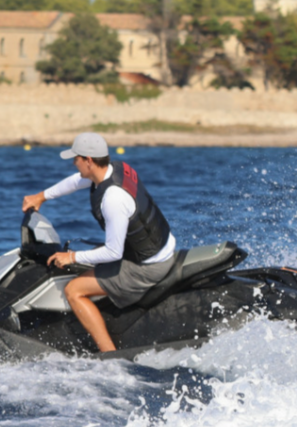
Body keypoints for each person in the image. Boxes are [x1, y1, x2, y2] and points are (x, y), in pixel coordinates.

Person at [20, 131, 178, 354]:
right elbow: (76, 182)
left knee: (73, 290)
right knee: (88, 259)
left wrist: (72, 257)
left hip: (147, 267)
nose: (74, 163)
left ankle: (110, 356)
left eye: (76, 159)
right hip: (158, 248)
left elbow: (114, 251)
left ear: (89, 161)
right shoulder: (116, 168)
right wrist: (41, 196)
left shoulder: (113, 198)